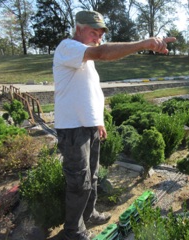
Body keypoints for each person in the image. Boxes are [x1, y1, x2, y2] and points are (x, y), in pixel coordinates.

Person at [53, 10, 176, 240]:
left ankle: (87, 215)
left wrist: (98, 121)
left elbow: (90, 93)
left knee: (92, 177)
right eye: (93, 32)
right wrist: (145, 43)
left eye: (100, 33)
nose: (98, 37)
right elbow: (101, 52)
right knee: (79, 182)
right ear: (79, 28)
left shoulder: (84, 60)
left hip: (88, 126)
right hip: (72, 129)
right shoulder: (67, 48)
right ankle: (73, 231)